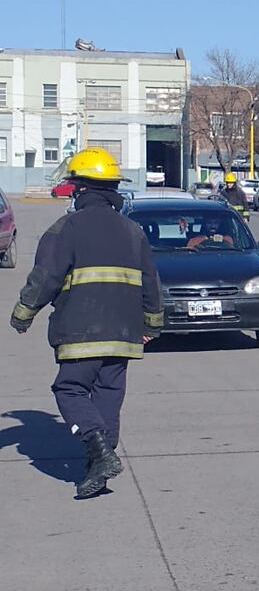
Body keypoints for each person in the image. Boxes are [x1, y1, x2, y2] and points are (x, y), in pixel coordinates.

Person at [10, 147, 164, 498]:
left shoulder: (65, 228)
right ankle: (99, 471)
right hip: (125, 333)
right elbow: (151, 282)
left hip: (79, 330)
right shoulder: (132, 230)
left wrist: (23, 314)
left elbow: (45, 278)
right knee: (108, 393)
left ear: (80, 190)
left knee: (69, 389)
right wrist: (153, 324)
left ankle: (98, 449)